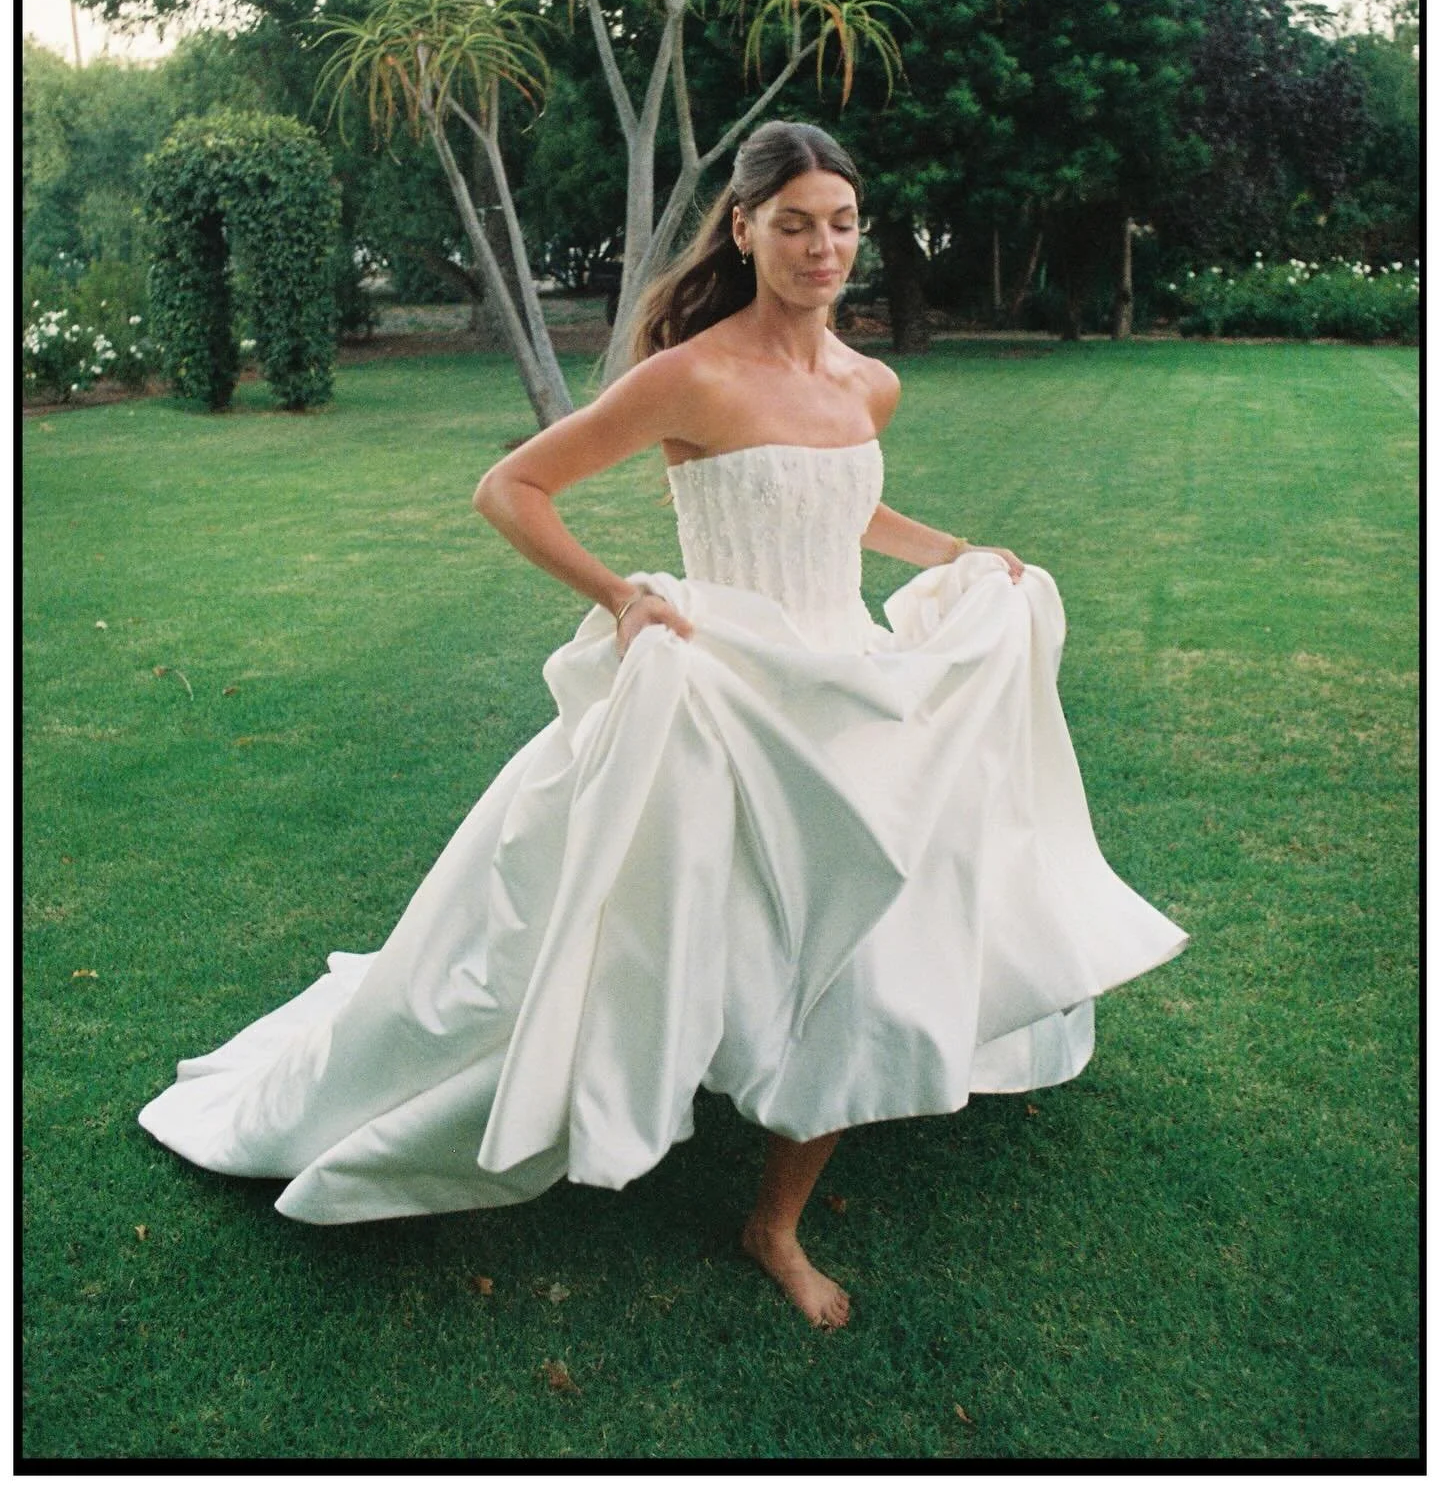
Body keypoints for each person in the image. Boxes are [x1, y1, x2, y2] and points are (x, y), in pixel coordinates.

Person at [139, 120, 1188, 1331]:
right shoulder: (693, 373)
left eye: (841, 222)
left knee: (876, 934)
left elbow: (840, 500)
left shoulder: (869, 381)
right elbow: (509, 487)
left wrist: (955, 553)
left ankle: (775, 1221)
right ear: (743, 230)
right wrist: (621, 594)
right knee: (632, 931)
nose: (822, 245)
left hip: (846, 684)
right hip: (724, 689)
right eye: (793, 222)